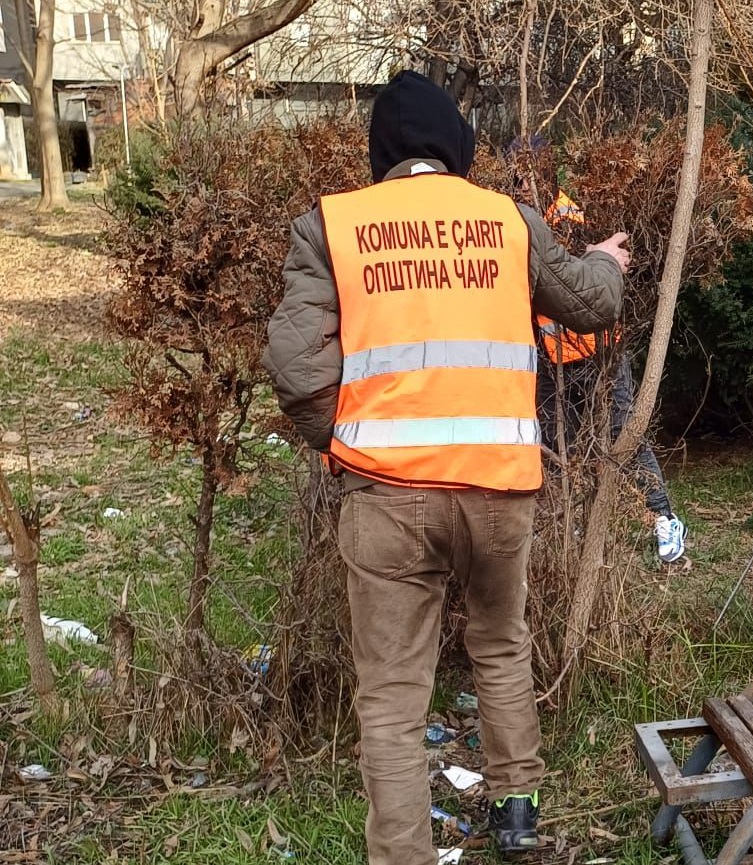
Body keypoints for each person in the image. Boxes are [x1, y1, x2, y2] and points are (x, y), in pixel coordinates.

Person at [262, 70, 629, 864]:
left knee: (393, 698)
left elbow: (293, 364)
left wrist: (344, 441)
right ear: (456, 145)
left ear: (381, 150)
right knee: (501, 643)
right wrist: (606, 259)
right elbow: (593, 305)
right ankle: (517, 808)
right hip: (499, 491)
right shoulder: (507, 220)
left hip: (387, 499)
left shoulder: (332, 224)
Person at [520, 159, 686, 563]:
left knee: (622, 434)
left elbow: (579, 278)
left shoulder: (564, 217)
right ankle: (567, 520)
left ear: (543, 177)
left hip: (599, 352)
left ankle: (663, 516)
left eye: (528, 176)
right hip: (551, 358)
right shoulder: (516, 219)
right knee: (553, 442)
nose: (523, 184)